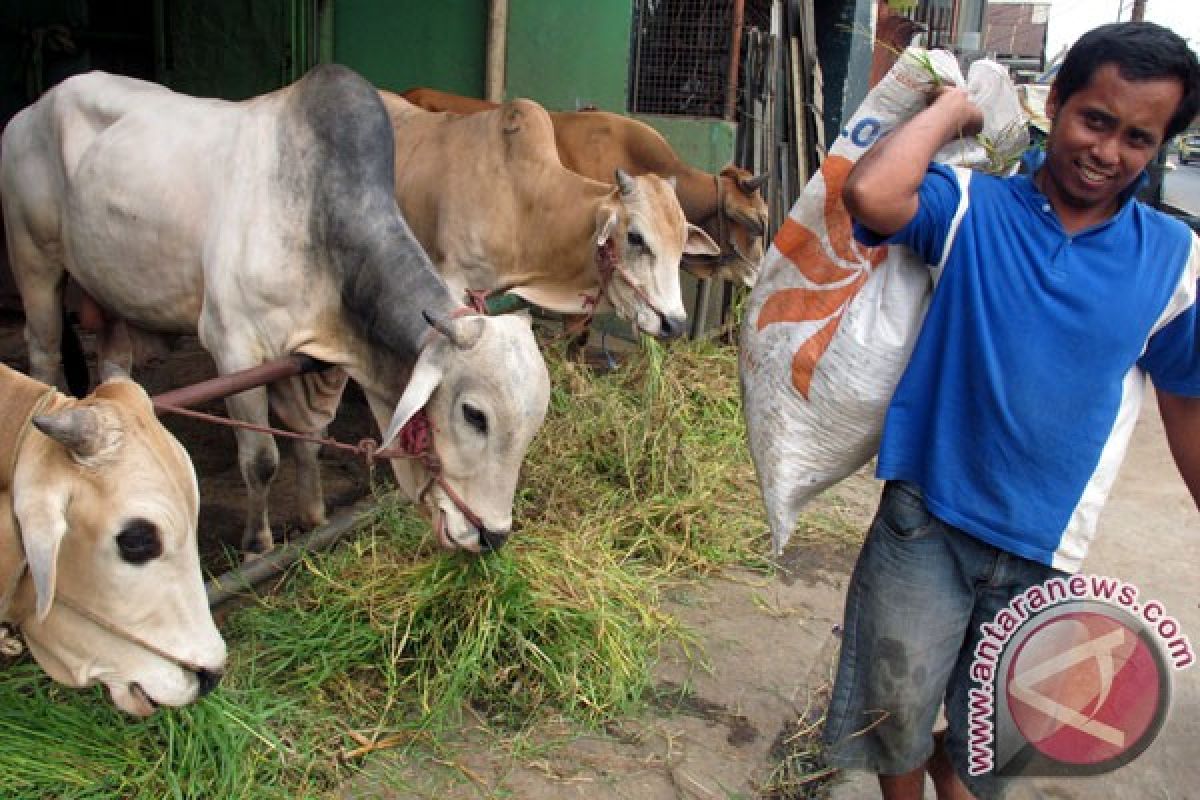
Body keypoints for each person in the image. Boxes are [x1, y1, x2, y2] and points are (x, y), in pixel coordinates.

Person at [821, 21, 1200, 800]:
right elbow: (871, 193)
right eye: (1095, 120)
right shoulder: (970, 208)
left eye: (1138, 137)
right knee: (893, 709)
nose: (1107, 151)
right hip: (926, 515)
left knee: (988, 733)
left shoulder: (1172, 261)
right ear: (1053, 103)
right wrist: (951, 110)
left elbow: (1185, 400)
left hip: (1044, 544)